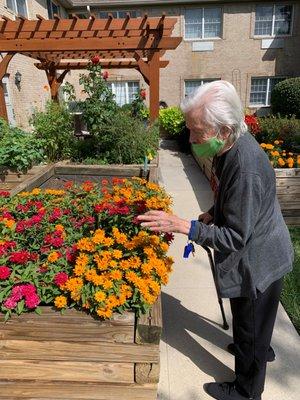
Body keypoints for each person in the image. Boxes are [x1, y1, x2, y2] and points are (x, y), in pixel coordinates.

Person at [137, 80, 294, 400]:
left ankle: (247, 389)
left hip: (258, 261)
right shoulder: (229, 147)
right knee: (254, 323)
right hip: (265, 246)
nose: (192, 139)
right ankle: (258, 349)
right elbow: (234, 201)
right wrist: (212, 211)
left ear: (224, 129)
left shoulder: (244, 164)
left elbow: (236, 237)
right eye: (191, 130)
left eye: (198, 132)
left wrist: (184, 225)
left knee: (248, 321)